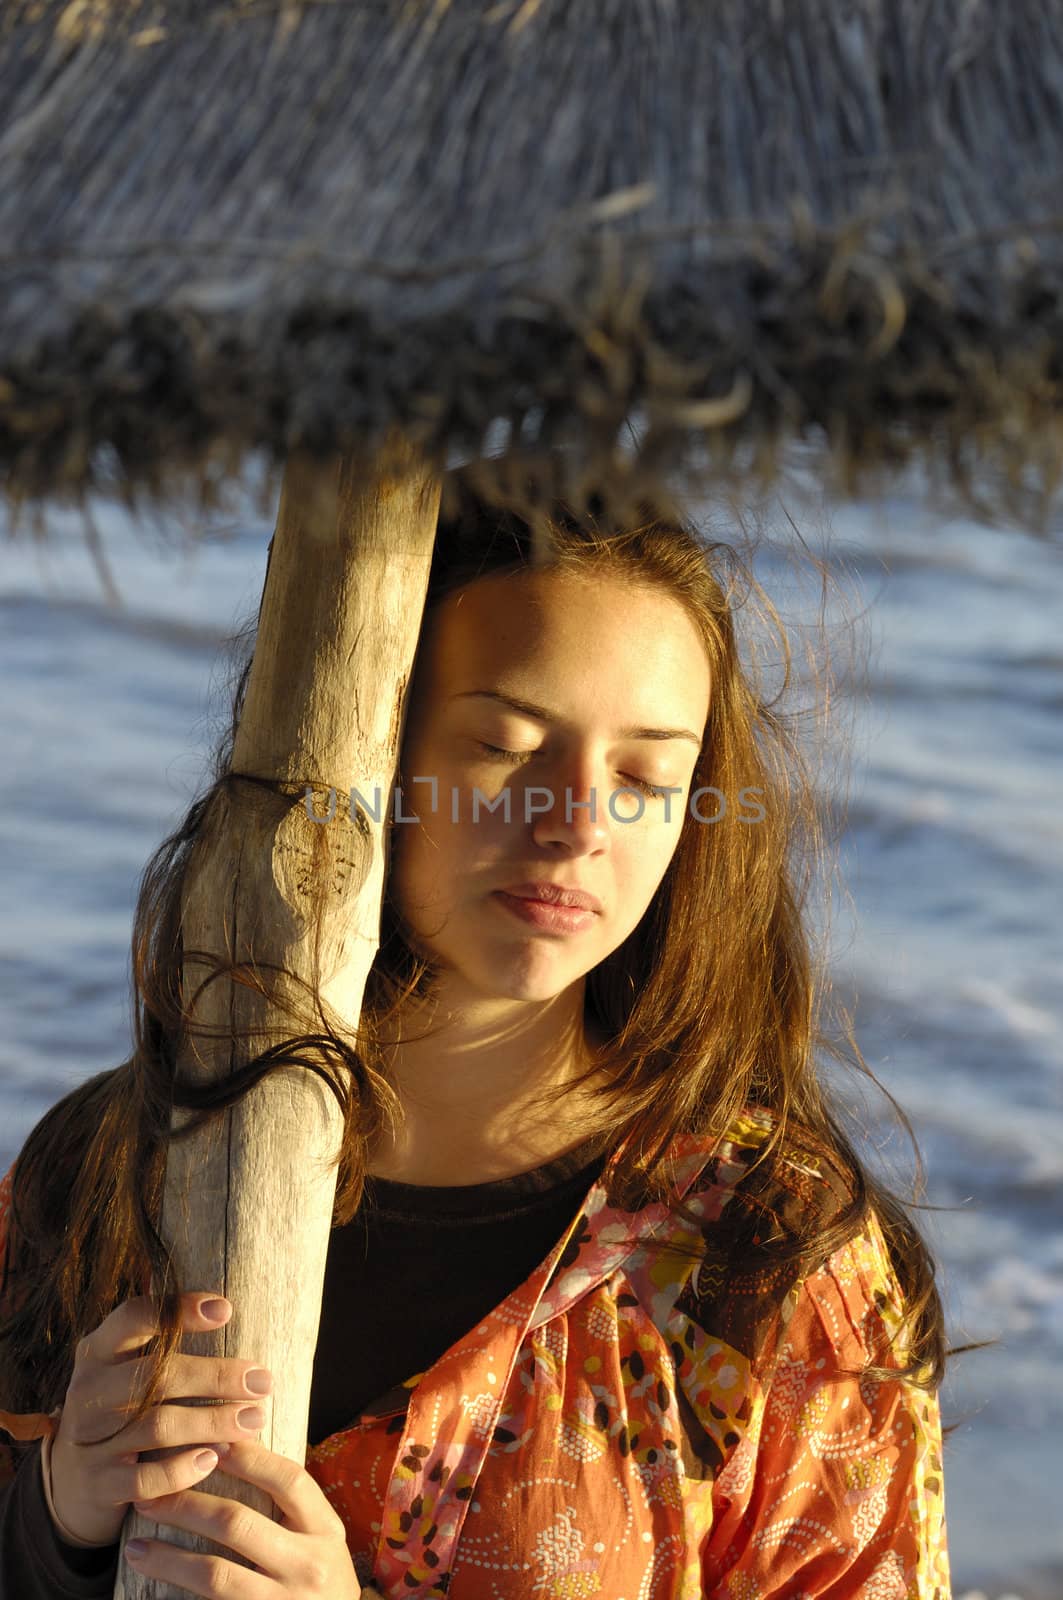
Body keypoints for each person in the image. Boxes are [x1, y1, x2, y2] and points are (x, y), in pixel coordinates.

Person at [0, 480, 952, 1598]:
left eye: (646, 775)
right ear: (372, 757)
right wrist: (58, 1516)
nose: (580, 822)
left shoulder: (771, 1264)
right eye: (505, 746)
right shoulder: (109, 1170)